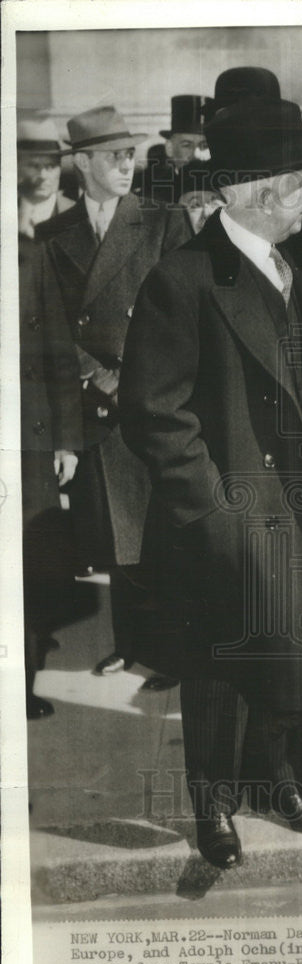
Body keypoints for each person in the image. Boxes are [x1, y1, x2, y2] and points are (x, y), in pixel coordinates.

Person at [120, 93, 302, 869]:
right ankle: (213, 808)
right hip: (226, 511)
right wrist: (211, 513)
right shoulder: (183, 280)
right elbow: (153, 413)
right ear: (258, 190)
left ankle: (280, 782)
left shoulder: (296, 276)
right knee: (217, 671)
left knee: (295, 656)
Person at [35, 105, 191, 690]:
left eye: (130, 155)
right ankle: (130, 646)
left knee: (166, 531)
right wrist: (96, 377)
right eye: (113, 156)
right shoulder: (53, 237)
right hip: (99, 405)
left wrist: (137, 378)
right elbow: (45, 325)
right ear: (81, 164)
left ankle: (172, 652)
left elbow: (182, 313)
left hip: (154, 397)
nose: (127, 165)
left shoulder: (163, 221)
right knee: (120, 537)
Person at [19, 234, 82, 718]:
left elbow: (59, 348)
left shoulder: (30, 253)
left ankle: (20, 681)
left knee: (26, 563)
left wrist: (66, 438)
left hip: (27, 437)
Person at [137, 95, 208, 202]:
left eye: (204, 146)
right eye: (187, 145)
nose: (196, 154)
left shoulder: (225, 189)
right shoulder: (151, 196)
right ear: (170, 148)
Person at [17, 113, 75, 238]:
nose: (43, 175)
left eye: (50, 167)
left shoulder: (78, 216)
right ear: (16, 167)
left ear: (60, 169)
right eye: (34, 166)